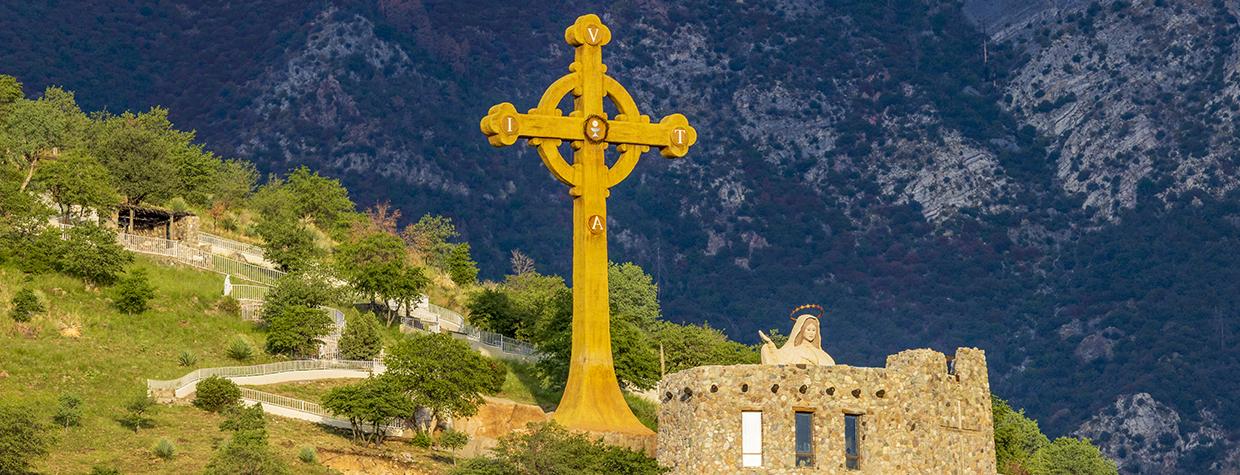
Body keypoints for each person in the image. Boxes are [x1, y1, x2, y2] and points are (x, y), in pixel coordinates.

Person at [759, 311, 835, 365]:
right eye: (808, 330)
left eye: (814, 330)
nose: (811, 333)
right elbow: (778, 359)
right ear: (801, 330)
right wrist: (770, 345)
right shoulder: (792, 351)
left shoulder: (822, 354)